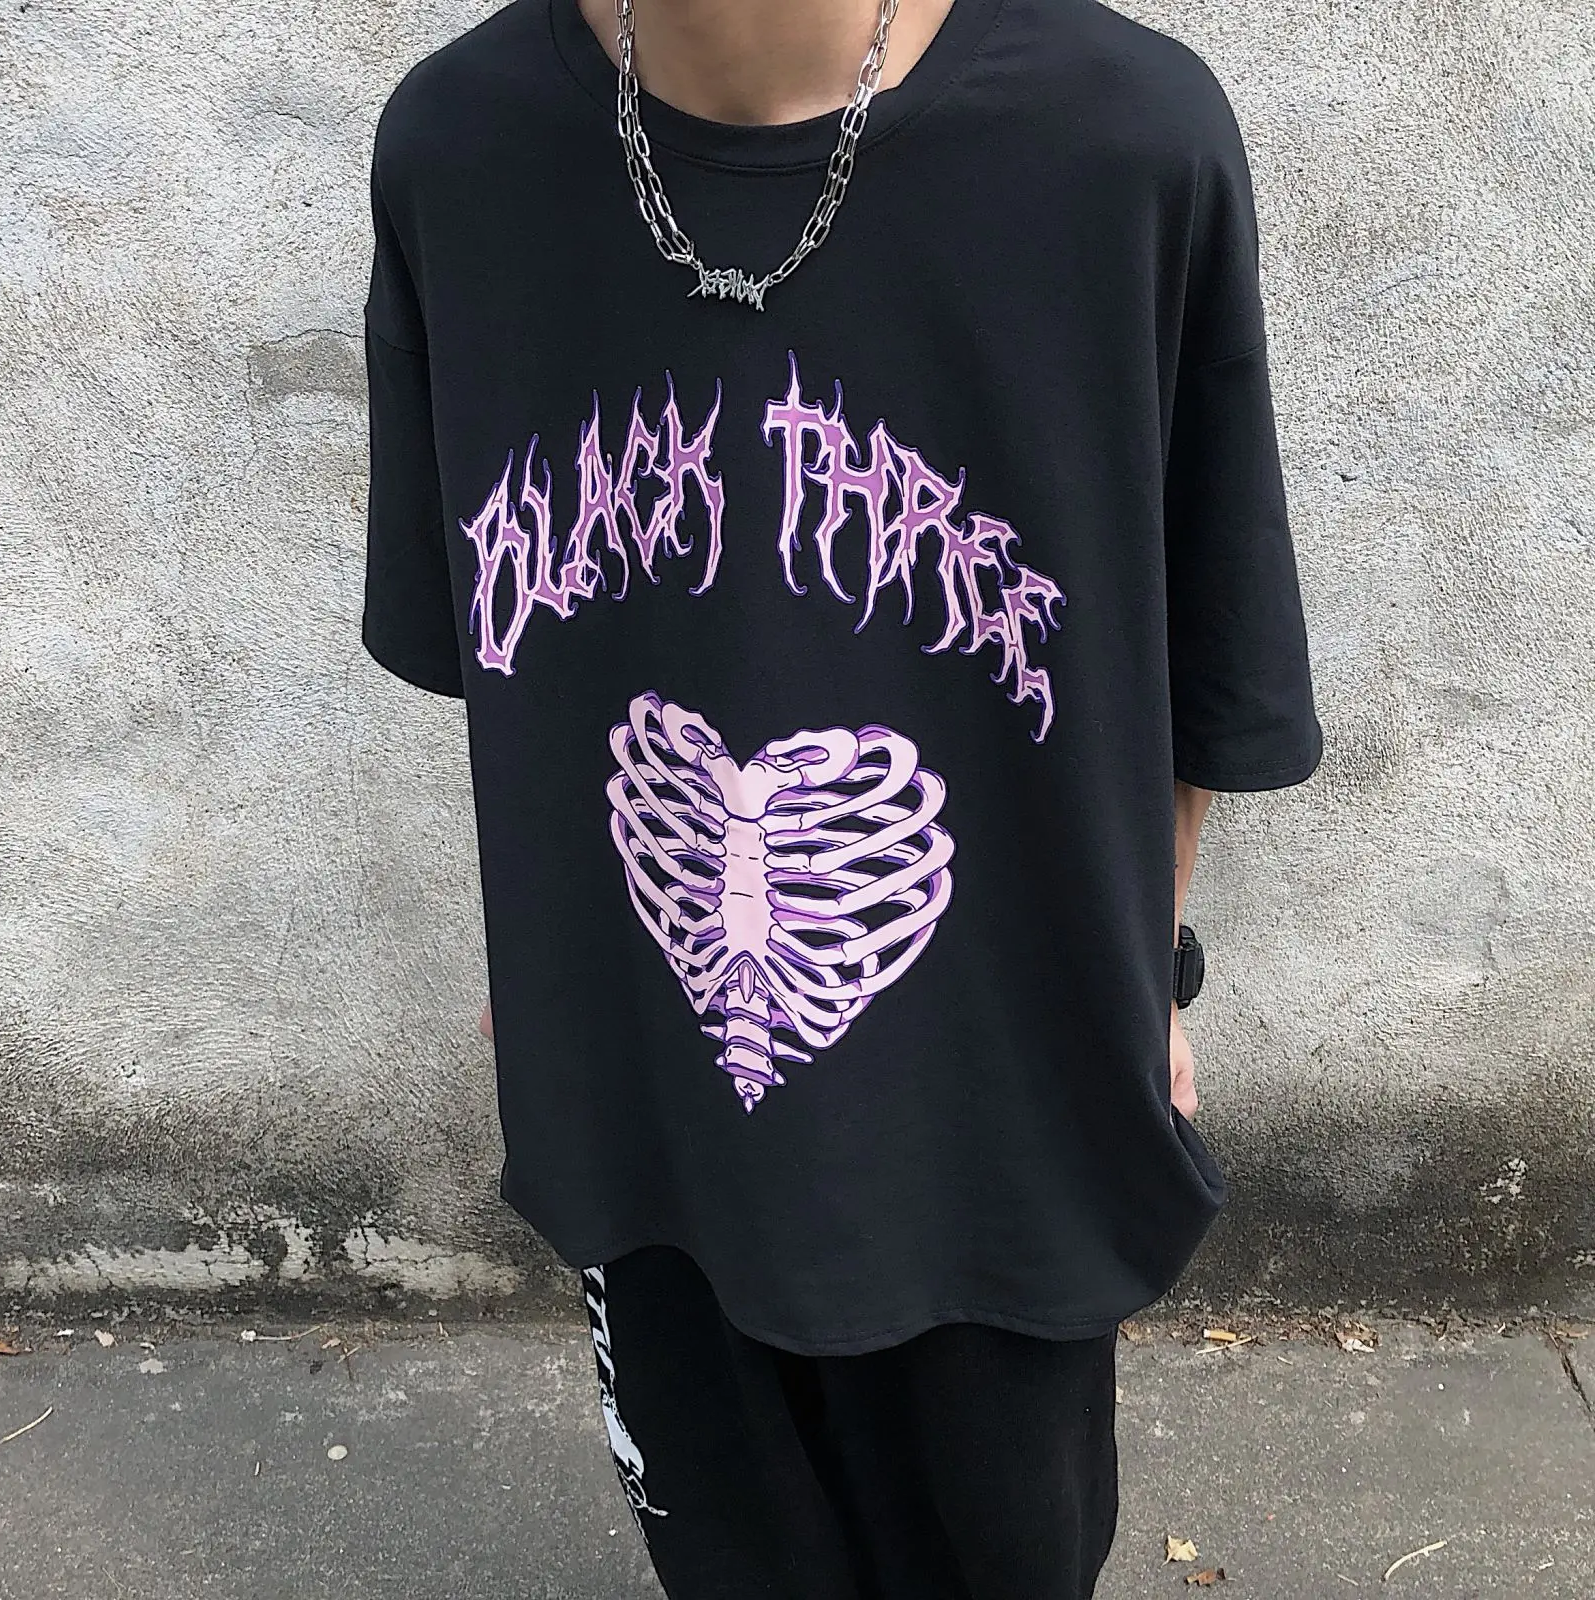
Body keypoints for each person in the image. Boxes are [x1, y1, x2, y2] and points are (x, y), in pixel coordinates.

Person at [359, 0, 1322, 1592]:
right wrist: (552, 958)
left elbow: (1209, 651)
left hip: (1004, 1098)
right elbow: (505, 645)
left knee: (1003, 1551)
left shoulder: (1126, 144)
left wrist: (1145, 960)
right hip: (648, 1099)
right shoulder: (459, 147)